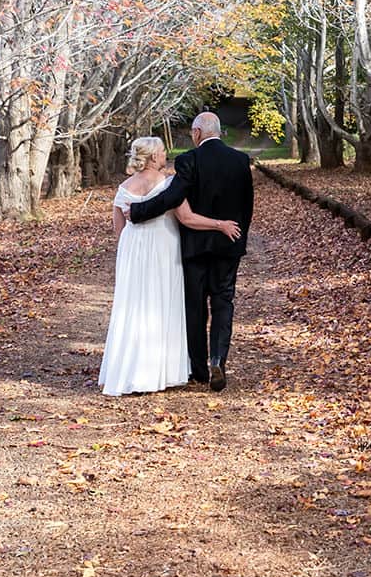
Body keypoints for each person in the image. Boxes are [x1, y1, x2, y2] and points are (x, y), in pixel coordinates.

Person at [99, 135, 240, 396]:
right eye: (163, 152)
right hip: (162, 250)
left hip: (132, 253)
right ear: (153, 157)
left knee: (133, 308)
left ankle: (126, 371)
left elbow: (119, 230)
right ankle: (157, 372)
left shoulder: (123, 188)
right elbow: (187, 218)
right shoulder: (167, 184)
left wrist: (131, 253)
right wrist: (220, 224)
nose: (166, 155)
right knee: (160, 305)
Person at [125, 112, 255, 392]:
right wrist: (238, 238)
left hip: (194, 246)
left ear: (196, 132)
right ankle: (218, 358)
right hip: (227, 244)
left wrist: (137, 211)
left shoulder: (188, 160)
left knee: (195, 307)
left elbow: (172, 198)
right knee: (223, 303)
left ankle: (198, 370)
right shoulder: (241, 161)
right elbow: (247, 206)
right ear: (220, 132)